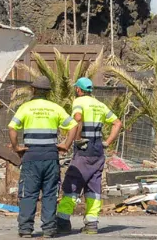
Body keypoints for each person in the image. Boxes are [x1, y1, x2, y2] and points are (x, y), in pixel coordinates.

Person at [8, 77, 74, 238]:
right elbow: (73, 125)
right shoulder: (55, 108)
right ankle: (49, 230)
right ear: (48, 92)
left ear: (34, 90)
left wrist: (17, 147)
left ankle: (25, 230)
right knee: (50, 194)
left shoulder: (26, 107)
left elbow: (12, 127)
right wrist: (65, 145)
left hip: (31, 157)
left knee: (28, 193)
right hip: (51, 157)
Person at [56, 77, 122, 235]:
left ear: (78, 90)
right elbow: (117, 123)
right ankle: (91, 224)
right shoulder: (100, 104)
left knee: (72, 182)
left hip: (84, 148)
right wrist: (107, 142)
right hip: (98, 148)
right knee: (94, 186)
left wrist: (77, 139)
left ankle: (63, 222)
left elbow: (77, 118)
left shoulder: (79, 102)